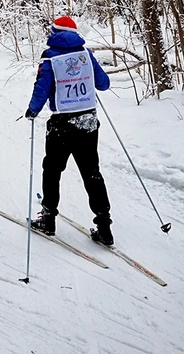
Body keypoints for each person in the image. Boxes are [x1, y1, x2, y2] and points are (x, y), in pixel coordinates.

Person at [24, 15, 113, 245]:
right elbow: (103, 84)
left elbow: (41, 88)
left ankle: (48, 219)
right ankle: (104, 227)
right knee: (91, 172)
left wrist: (33, 110)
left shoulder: (50, 57)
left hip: (62, 123)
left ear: (54, 33)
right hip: (88, 121)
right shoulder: (86, 55)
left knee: (52, 169)